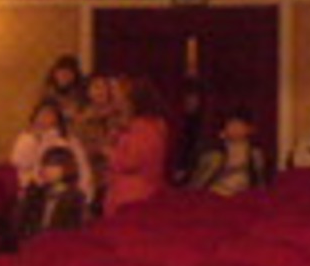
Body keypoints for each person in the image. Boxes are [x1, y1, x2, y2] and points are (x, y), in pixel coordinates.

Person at [104, 77, 170, 216]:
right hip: (134, 192)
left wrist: (109, 152)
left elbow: (131, 161)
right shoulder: (147, 126)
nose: (120, 103)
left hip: (133, 196)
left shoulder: (144, 128)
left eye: (123, 100)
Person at [10, 97, 93, 198]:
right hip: (35, 191)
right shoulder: (27, 139)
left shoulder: (69, 140)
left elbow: (82, 167)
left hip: (67, 190)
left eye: (50, 114)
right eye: (42, 114)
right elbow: (20, 167)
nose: (45, 118)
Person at [191, 107, 271, 197]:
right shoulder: (215, 150)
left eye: (239, 125)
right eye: (231, 125)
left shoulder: (255, 152)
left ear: (249, 129)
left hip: (244, 192)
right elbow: (201, 176)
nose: (235, 128)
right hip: (216, 191)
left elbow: (261, 179)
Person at [14, 146, 87, 241]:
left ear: (66, 168)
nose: (45, 169)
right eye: (44, 165)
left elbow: (75, 230)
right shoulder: (37, 194)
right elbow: (21, 223)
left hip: (59, 243)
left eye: (52, 165)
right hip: (35, 243)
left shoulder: (75, 198)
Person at [73, 72, 122, 210]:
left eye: (105, 87)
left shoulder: (121, 116)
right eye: (96, 87)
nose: (101, 91)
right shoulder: (82, 120)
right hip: (95, 176)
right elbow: (79, 148)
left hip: (119, 175)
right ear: (88, 92)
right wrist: (100, 150)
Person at [172, 77, 210, 186]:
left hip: (196, 172)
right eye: (187, 98)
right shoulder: (180, 122)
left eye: (193, 98)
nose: (189, 102)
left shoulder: (203, 124)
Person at [42, 53, 88, 127]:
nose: (64, 76)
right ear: (54, 73)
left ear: (75, 76)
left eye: (68, 73)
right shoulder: (48, 94)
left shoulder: (81, 96)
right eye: (61, 72)